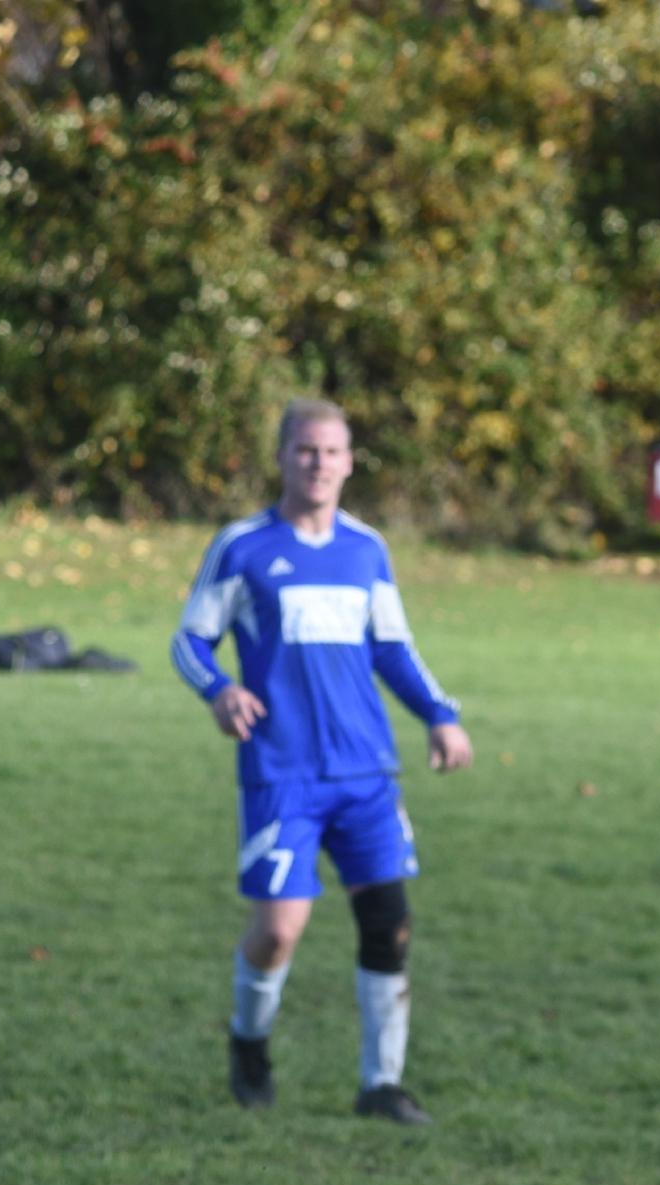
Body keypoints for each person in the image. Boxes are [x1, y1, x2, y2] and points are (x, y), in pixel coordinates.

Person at [173, 397, 472, 1125]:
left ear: (349, 462)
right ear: (282, 457)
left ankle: (381, 1085)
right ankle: (249, 1044)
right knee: (279, 931)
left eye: (332, 451)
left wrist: (440, 715)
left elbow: (393, 649)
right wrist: (219, 690)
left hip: (366, 772)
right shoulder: (243, 546)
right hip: (282, 773)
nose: (319, 463)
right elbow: (190, 640)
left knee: (388, 921)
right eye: (306, 450)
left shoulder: (366, 550)